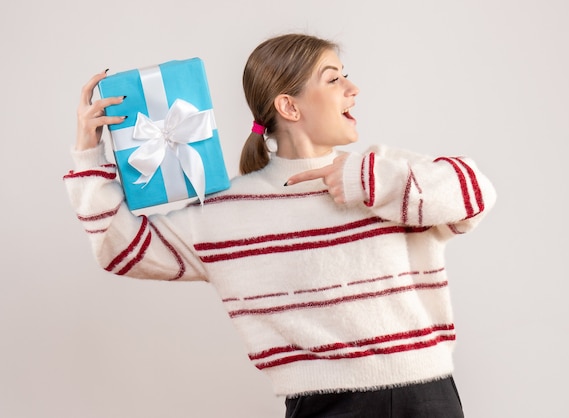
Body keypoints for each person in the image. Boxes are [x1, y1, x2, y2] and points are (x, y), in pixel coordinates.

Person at [65, 33, 496, 417]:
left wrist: (362, 179)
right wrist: (89, 156)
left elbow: (476, 194)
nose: (353, 89)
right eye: (333, 79)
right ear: (289, 106)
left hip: (426, 399)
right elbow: (123, 250)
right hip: (323, 404)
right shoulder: (225, 211)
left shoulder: (385, 176)